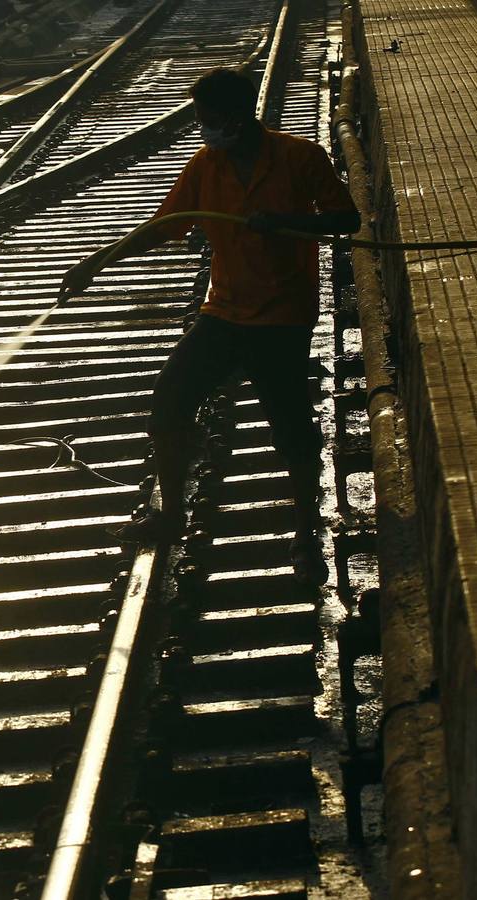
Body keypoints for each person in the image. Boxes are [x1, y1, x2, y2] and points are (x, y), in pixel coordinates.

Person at [59, 67, 361, 585]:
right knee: (171, 399)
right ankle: (172, 515)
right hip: (222, 312)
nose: (206, 129)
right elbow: (166, 225)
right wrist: (98, 261)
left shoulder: (298, 158)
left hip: (281, 316)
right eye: (203, 120)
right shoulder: (208, 166)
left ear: (241, 116)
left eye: (212, 119)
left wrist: (288, 222)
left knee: (290, 428)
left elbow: (345, 219)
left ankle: (306, 533)